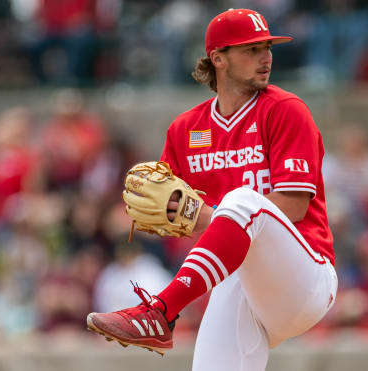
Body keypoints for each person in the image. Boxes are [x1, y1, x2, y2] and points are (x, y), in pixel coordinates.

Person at [86, 8, 337, 371]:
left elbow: (294, 206)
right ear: (218, 58)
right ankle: (159, 315)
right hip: (242, 284)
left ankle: (159, 311)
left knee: (241, 201)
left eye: (267, 47)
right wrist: (134, 214)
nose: (265, 57)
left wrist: (205, 215)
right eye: (251, 49)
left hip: (305, 277)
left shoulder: (285, 110)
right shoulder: (186, 130)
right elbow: (156, 208)